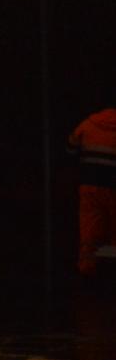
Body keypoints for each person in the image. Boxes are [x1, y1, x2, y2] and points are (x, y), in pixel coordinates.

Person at [73, 106, 116, 278]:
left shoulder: (88, 124)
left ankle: (86, 268)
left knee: (89, 226)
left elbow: (70, 148)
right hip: (113, 187)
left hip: (89, 185)